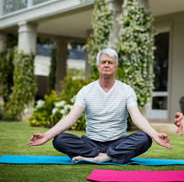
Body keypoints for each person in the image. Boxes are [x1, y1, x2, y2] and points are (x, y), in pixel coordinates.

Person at [28, 48, 172, 164]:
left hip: (118, 142)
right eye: (103, 62)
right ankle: (109, 156)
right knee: (59, 140)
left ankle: (102, 157)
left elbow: (136, 116)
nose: (107, 65)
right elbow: (71, 117)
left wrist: (155, 134)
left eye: (110, 62)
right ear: (98, 66)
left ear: (115, 67)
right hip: (91, 144)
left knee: (145, 138)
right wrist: (46, 135)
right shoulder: (86, 91)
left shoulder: (126, 90)